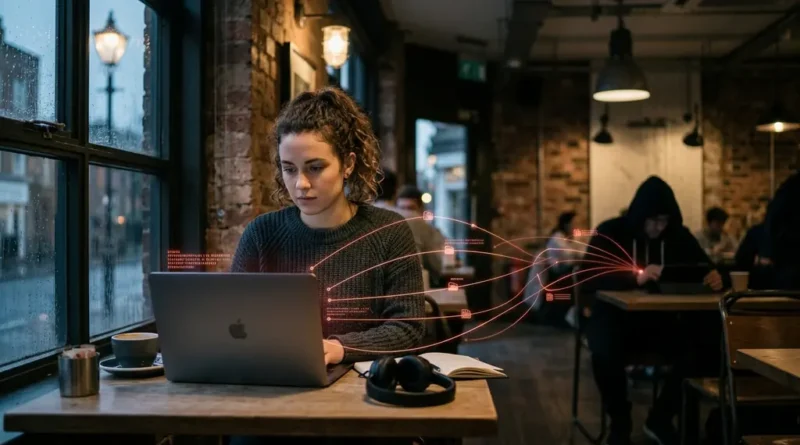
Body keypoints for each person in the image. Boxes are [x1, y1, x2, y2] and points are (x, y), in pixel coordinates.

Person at [230, 87, 425, 367]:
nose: (301, 184)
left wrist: (340, 348)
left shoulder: (389, 232)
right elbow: (232, 321)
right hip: (275, 381)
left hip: (359, 388)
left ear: (348, 164)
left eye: (315, 168)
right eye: (289, 169)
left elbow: (409, 328)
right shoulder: (261, 234)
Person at [582, 176, 724, 445]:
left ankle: (661, 417)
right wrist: (635, 278)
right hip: (616, 322)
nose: (659, 227)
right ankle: (620, 423)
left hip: (661, 323)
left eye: (664, 221)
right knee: (604, 350)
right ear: (640, 216)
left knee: (703, 346)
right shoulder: (612, 231)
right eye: (654, 220)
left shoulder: (678, 236)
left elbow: (704, 268)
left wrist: (717, 277)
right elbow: (589, 276)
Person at [373, 170, 445, 286]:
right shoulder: (412, 218)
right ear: (396, 191)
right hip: (408, 287)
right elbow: (434, 262)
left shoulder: (358, 217)